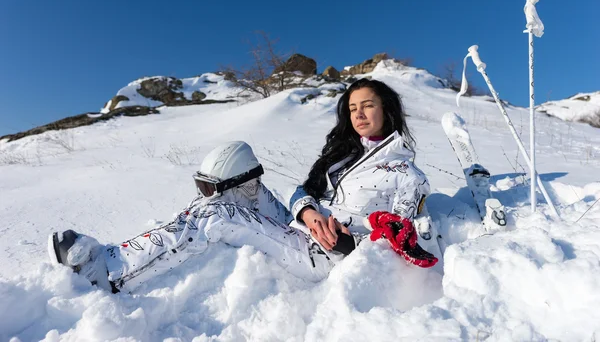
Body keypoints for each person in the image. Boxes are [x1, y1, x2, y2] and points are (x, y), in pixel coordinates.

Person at [49, 78, 436, 293]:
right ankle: (170, 236)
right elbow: (303, 189)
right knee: (239, 183)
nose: (359, 114)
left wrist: (345, 238)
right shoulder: (343, 154)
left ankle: (108, 269)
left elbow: (399, 238)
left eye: (367, 105)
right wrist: (309, 210)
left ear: (387, 108)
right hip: (302, 227)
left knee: (216, 214)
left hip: (325, 254)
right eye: (352, 108)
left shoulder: (408, 177)